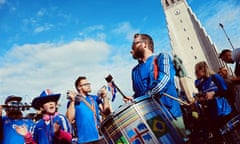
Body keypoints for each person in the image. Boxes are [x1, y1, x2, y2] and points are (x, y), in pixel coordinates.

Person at [124, 33, 187, 141]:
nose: (131, 49)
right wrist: (134, 99)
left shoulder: (162, 57)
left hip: (172, 115)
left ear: (144, 44)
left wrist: (145, 97)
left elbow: (165, 79)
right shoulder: (134, 71)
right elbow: (139, 93)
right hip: (153, 120)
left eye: (134, 44)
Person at [194, 61, 233, 143]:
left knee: (231, 134)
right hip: (212, 114)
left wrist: (214, 93)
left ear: (203, 69)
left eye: (197, 71)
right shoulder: (200, 83)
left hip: (223, 110)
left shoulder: (215, 77)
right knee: (219, 137)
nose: (195, 73)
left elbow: (226, 91)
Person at [66, 76, 111, 144]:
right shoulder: (74, 101)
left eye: (89, 84)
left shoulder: (94, 98)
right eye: (86, 84)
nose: (89, 86)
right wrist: (72, 101)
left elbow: (107, 113)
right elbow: (69, 119)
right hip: (83, 140)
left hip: (99, 138)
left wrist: (105, 97)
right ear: (79, 87)